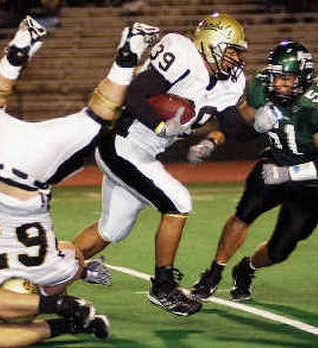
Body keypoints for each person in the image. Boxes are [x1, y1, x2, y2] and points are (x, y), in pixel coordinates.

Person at [0, 15, 159, 346]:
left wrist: (57, 299)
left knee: (96, 118)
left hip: (25, 183)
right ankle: (18, 53)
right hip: (1, 157)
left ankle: (126, 56)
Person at [73, 12, 248, 316]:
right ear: (210, 43)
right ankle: (163, 286)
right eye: (231, 49)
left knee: (111, 230)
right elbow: (135, 93)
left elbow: (233, 124)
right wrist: (159, 125)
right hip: (122, 143)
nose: (235, 58)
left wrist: (260, 122)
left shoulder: (230, 82)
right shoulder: (182, 53)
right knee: (179, 202)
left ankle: (51, 272)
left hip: (142, 154)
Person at [189, 40, 318, 301]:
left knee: (280, 250)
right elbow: (239, 126)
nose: (278, 84)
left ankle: (246, 268)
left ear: (303, 77)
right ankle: (214, 273)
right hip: (275, 161)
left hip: (313, 181)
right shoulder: (263, 86)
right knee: (244, 213)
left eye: (287, 79)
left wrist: (289, 174)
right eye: (276, 77)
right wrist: (212, 140)